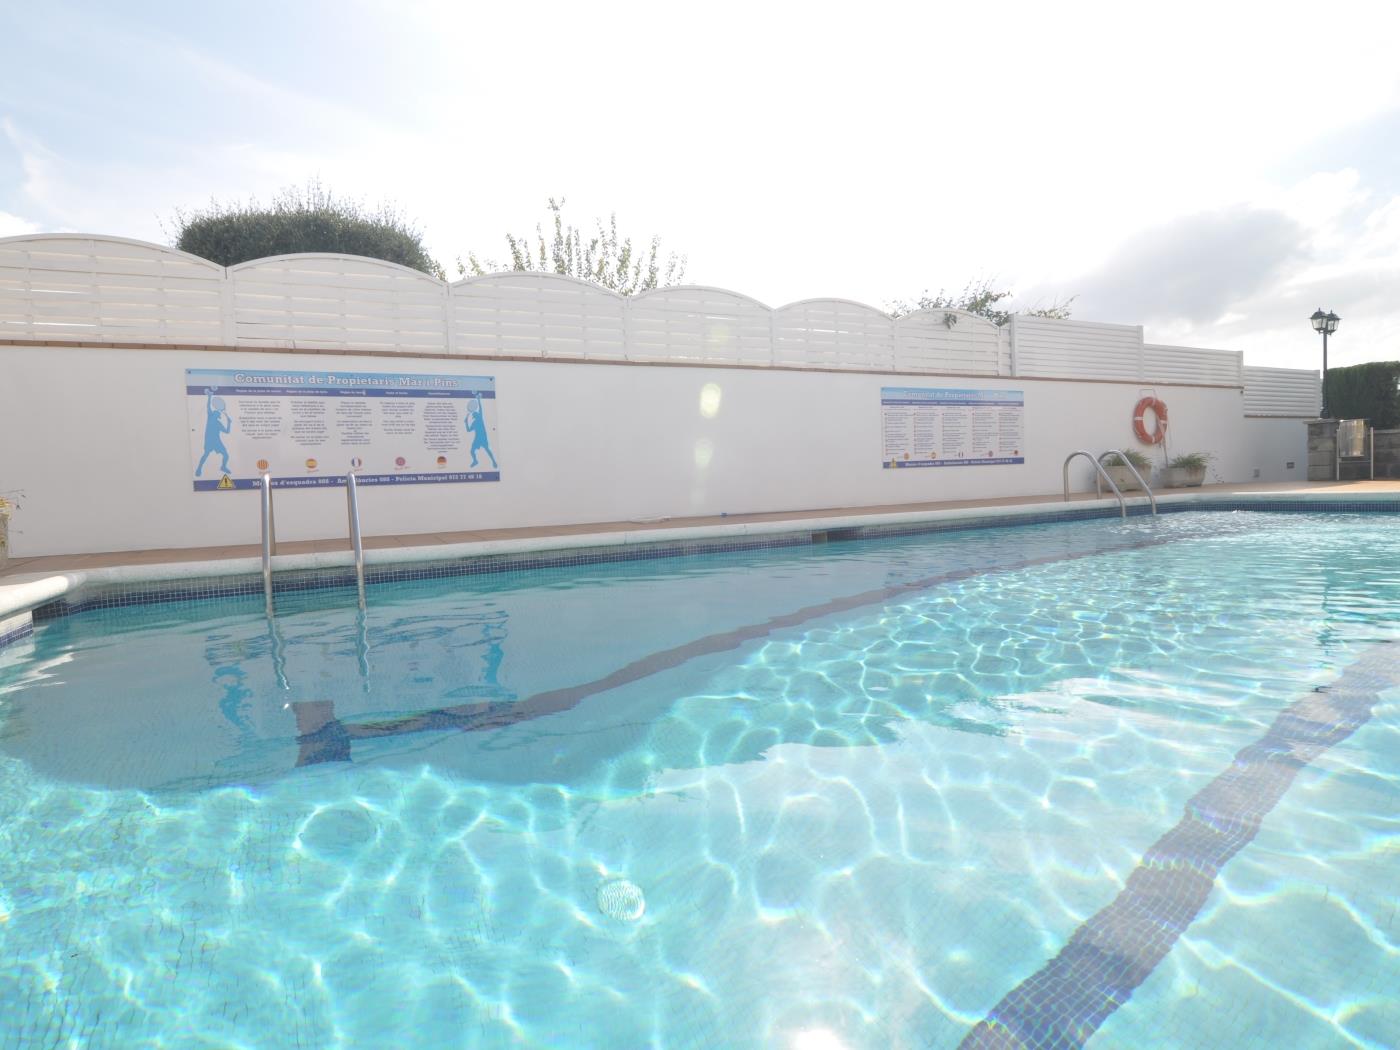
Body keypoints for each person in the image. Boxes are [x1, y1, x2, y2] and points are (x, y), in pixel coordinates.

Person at [196, 389, 232, 476]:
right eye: (215, 412)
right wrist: (209, 396)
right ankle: (199, 469)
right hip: (209, 440)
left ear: (218, 416)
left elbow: (227, 432)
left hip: (216, 441)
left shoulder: (218, 423)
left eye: (217, 413)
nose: (215, 412)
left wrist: (229, 423)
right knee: (205, 455)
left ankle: (223, 467)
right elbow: (208, 406)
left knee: (226, 455)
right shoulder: (210, 416)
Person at [466, 396, 498, 469]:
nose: (476, 414)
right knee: (472, 451)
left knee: (487, 450)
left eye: (476, 414)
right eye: (475, 414)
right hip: (477, 438)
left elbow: (480, 408)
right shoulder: (474, 422)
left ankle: (493, 461)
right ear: (475, 416)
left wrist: (479, 400)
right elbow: (468, 430)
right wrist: (465, 422)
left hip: (483, 438)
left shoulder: (480, 418)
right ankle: (475, 461)